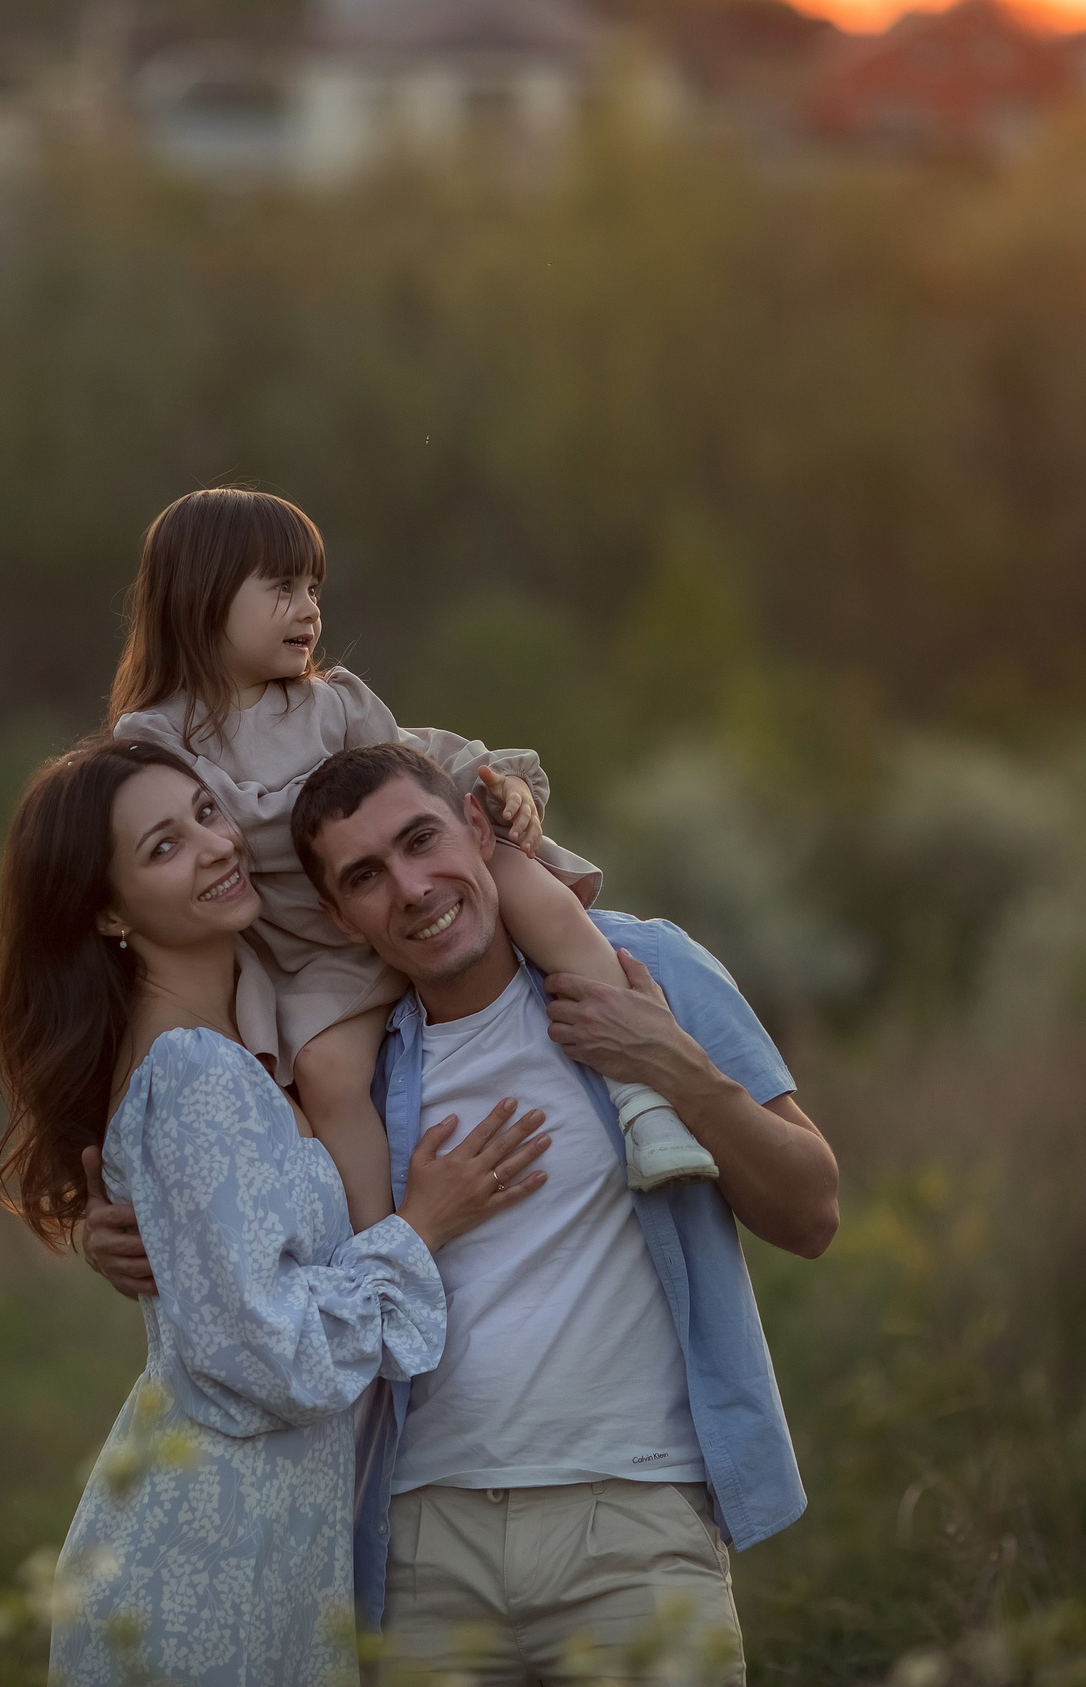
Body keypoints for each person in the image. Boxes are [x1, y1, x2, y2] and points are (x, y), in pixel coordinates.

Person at [85, 743, 840, 1687]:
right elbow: (248, 1262)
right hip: (417, 1546)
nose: (411, 886)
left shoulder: (638, 967)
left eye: (423, 839)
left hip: (636, 1522)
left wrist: (677, 1069)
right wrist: (117, 1238)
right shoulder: (346, 1079)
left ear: (479, 832)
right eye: (366, 876)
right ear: (337, 916)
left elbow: (811, 1209)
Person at [0, 736, 559, 1687]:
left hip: (267, 1543)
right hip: (211, 1546)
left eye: (208, 816)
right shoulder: (196, 1074)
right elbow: (269, 1352)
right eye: (163, 848)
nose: (216, 847)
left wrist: (509, 794)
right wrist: (420, 1226)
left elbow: (368, 758)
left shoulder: (235, 1055)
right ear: (110, 912)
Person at [109, 487, 722, 1213]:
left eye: (313, 588)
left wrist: (504, 785)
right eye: (282, 588)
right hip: (318, 955)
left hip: (423, 897)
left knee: (529, 886)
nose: (309, 608)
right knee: (328, 1071)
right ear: (201, 596)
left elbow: (411, 773)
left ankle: (644, 1101)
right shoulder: (156, 738)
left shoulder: (330, 702)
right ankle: (380, 1246)